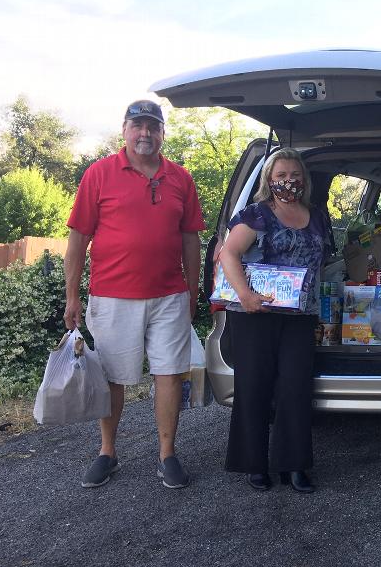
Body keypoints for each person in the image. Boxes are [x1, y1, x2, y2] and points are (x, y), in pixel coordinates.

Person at [65, 99, 205, 489]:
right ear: (124, 130)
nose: (145, 133)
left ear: (163, 133)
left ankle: (167, 455)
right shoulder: (99, 174)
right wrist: (72, 296)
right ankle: (107, 452)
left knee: (170, 375)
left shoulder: (181, 178)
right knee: (112, 378)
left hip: (169, 297)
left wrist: (192, 291)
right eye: (137, 125)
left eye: (153, 126)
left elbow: (190, 238)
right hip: (112, 296)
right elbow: (78, 238)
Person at [218, 148, 333, 493]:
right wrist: (246, 296)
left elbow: (324, 259)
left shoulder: (316, 215)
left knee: (295, 388)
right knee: (254, 388)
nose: (289, 181)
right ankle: (255, 464)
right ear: (269, 179)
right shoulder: (255, 215)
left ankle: (294, 465)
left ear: (304, 179)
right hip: (255, 314)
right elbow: (228, 253)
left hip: (300, 315)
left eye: (295, 175)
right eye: (281, 175)